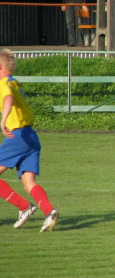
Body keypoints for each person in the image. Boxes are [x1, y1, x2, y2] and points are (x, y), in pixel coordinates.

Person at [0, 49, 59, 232]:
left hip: (18, 136)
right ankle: (49, 212)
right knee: (28, 182)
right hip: (31, 136)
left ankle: (24, 206)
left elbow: (8, 99)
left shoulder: (3, 83)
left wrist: (3, 122)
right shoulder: (15, 83)